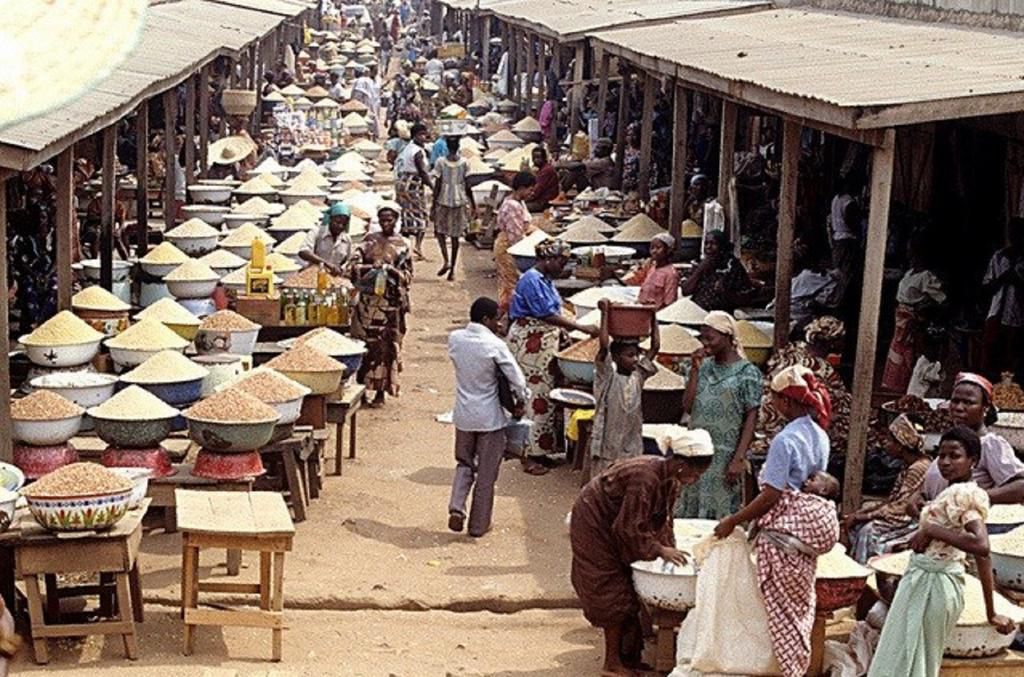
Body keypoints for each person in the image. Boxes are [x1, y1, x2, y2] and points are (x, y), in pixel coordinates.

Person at [714, 365, 839, 677]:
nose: (774, 406)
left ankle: (789, 670)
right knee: (798, 611)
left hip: (785, 535)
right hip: (804, 535)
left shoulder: (785, 440)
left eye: (776, 400)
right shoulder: (820, 435)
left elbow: (772, 495)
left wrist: (735, 519)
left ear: (787, 402)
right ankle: (793, 667)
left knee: (782, 615)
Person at [868, 426, 1015, 677]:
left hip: (934, 585)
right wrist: (991, 612)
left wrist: (932, 530)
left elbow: (981, 545)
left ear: (973, 461)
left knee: (912, 660)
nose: (946, 462)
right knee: (912, 659)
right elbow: (983, 556)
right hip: (929, 581)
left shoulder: (965, 494)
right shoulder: (952, 493)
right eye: (941, 456)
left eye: (955, 456)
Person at [570, 433, 714, 677]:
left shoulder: (670, 480)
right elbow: (628, 528)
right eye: (695, 475)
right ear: (681, 465)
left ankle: (629, 658)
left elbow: (662, 522)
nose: (695, 480)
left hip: (613, 522)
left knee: (627, 586)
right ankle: (612, 663)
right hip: (594, 523)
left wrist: (671, 551)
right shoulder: (645, 477)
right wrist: (659, 550)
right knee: (612, 591)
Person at [507, 238, 598, 475]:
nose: (563, 266)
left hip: (543, 343)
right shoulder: (532, 280)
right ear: (548, 258)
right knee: (533, 399)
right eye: (561, 261)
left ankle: (542, 451)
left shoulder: (544, 280)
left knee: (546, 398)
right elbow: (547, 314)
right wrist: (581, 328)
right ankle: (527, 455)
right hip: (531, 343)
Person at [447, 297, 529, 538]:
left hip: (463, 415)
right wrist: (521, 400)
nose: (500, 324)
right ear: (486, 319)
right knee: (486, 473)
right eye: (497, 319)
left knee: (464, 463)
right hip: (489, 418)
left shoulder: (456, 339)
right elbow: (517, 380)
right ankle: (478, 525)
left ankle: (456, 507)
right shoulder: (494, 345)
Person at [677, 311, 763, 518]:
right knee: (691, 508)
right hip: (696, 452)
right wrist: (696, 371)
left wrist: (738, 458)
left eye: (711, 338)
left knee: (719, 512)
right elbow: (688, 407)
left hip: (724, 454)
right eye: (702, 338)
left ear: (728, 337)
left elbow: (751, 417)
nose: (706, 343)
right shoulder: (701, 367)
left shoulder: (746, 373)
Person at [917, 373, 1024, 505]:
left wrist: (972, 497)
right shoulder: (951, 442)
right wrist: (918, 497)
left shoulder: (989, 444)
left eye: (968, 402)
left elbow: (1021, 486)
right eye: (955, 401)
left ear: (985, 408)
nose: (959, 408)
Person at [752, 316, 852, 458]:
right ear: (833, 344)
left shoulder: (788, 352)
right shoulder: (821, 369)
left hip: (766, 420)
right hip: (788, 423)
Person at [350, 202, 413, 407]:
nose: (387, 223)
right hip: (368, 305)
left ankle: (381, 393)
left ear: (396, 220)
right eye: (383, 219)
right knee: (365, 346)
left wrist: (390, 270)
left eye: (390, 219)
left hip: (390, 307)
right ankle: (363, 392)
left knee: (387, 349)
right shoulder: (369, 241)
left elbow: (408, 276)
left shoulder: (403, 245)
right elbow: (353, 266)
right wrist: (369, 267)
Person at [845, 414, 932, 563]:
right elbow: (893, 500)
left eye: (890, 440)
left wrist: (863, 516)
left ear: (900, 445)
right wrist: (861, 513)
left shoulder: (918, 468)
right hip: (902, 514)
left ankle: (869, 571)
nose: (885, 443)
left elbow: (902, 507)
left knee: (868, 531)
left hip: (912, 519)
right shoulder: (909, 465)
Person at [589, 300, 659, 478]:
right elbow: (604, 346)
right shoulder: (607, 377)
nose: (635, 359)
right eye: (630, 355)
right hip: (608, 446)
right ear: (617, 358)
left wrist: (653, 315)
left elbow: (655, 347)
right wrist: (605, 313)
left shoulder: (638, 376)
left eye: (636, 354)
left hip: (631, 445)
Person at [881, 235, 946, 393]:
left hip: (913, 320)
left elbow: (941, 299)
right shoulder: (910, 273)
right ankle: (898, 385)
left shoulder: (926, 277)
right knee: (899, 351)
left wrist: (923, 309)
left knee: (912, 354)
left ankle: (913, 388)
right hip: (901, 317)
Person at [981, 218, 1024, 379]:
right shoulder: (999, 257)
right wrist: (1003, 279)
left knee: (1014, 360)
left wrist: (1018, 280)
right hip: (997, 313)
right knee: (992, 357)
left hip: (1018, 318)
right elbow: (986, 286)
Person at [431, 134, 475, 281]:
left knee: (440, 231)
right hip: (459, 200)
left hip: (443, 199)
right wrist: (472, 203)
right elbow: (468, 185)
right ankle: (453, 269)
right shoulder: (465, 163)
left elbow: (437, 185)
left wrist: (433, 204)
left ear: (447, 147)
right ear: (458, 148)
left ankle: (446, 260)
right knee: (455, 236)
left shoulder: (440, 162)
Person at [679, 229, 756, 313]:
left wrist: (725, 292)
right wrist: (700, 269)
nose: (708, 247)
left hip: (722, 315)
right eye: (706, 243)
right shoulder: (697, 264)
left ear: (722, 246)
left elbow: (745, 298)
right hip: (697, 312)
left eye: (713, 243)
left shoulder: (733, 266)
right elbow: (685, 291)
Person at [493, 171, 535, 314]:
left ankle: (509, 315)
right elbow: (515, 236)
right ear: (522, 188)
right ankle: (507, 317)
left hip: (510, 244)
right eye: (530, 189)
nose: (531, 192)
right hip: (508, 247)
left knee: (510, 283)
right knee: (510, 284)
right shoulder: (512, 206)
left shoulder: (519, 202)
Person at [394, 122, 434, 259]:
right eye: (420, 135)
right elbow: (423, 172)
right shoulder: (417, 152)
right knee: (421, 215)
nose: (424, 137)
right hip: (413, 185)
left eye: (425, 134)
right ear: (415, 136)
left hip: (403, 183)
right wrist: (433, 186)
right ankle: (417, 246)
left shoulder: (408, 148)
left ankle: (407, 248)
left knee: (406, 215)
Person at [298, 202, 352, 275]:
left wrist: (342, 268)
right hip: (315, 274)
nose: (340, 226)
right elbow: (303, 252)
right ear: (330, 219)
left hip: (335, 277)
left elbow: (347, 260)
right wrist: (326, 264)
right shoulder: (317, 232)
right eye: (337, 222)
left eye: (344, 224)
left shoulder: (346, 239)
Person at [633, 233, 680, 310]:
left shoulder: (671, 274)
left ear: (668, 250)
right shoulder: (652, 268)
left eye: (658, 248)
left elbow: (669, 302)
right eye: (652, 248)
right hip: (642, 310)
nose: (654, 251)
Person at [525, 146, 559, 212]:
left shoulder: (546, 170)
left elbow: (536, 191)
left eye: (538, 158)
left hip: (543, 202)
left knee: (519, 207)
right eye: (534, 158)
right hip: (541, 200)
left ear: (544, 158)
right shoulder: (542, 169)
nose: (535, 160)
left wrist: (523, 199)